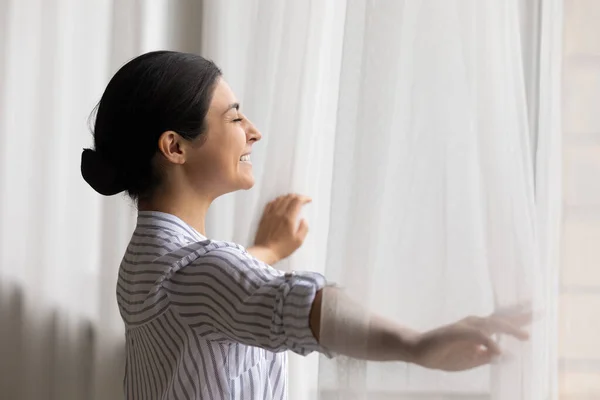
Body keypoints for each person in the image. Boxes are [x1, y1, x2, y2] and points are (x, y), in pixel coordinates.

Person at [81, 51, 531, 400]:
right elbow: (294, 306)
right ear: (175, 147)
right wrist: (416, 344)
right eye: (235, 117)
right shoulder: (195, 272)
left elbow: (206, 294)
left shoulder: (144, 262)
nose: (253, 132)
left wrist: (266, 253)